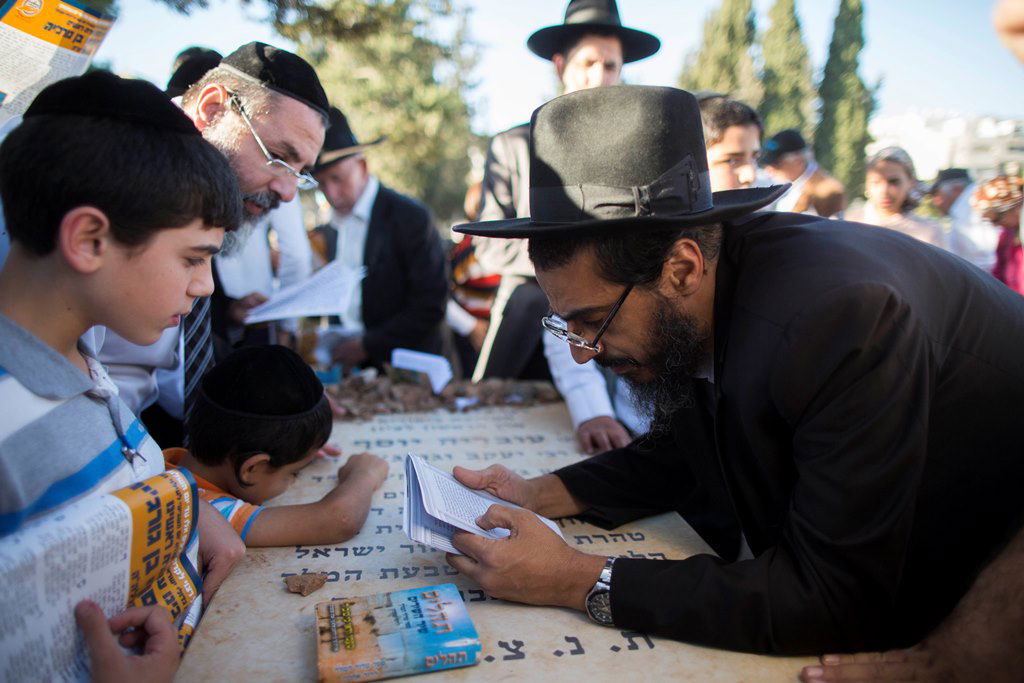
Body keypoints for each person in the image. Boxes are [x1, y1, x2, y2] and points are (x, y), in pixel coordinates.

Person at [444, 85, 1024, 655]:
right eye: (566, 324)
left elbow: (832, 597)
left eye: (594, 321)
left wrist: (574, 579)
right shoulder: (715, 282)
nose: (580, 352)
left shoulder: (841, 321)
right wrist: (537, 493)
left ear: (681, 269)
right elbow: (689, 447)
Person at [0, 71, 245, 677]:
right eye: (193, 258)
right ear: (88, 239)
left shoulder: (88, 362)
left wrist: (190, 510)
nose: (205, 286)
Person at [96, 41, 330, 447]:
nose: (289, 193)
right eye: (277, 156)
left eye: (301, 172)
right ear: (211, 110)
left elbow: (184, 354)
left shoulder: (212, 185)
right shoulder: (113, 163)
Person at [474, 0, 661, 454]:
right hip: (526, 321)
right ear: (561, 65)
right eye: (588, 63)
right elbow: (488, 247)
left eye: (611, 65)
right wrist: (571, 265)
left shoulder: (635, 155)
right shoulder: (513, 145)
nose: (600, 76)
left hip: (610, 328)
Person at [164, 345, 388, 546]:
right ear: (252, 468)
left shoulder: (169, 464)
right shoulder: (201, 511)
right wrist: (364, 475)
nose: (294, 479)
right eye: (294, 472)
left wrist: (295, 448)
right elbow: (339, 520)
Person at [310, 106, 448, 372]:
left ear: (362, 166)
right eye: (321, 184)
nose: (331, 194)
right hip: (351, 368)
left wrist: (368, 345)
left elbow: (430, 304)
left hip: (405, 368)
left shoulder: (411, 217)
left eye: (337, 179)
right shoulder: (328, 228)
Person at [846, 147, 946, 248]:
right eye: (876, 182)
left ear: (911, 182)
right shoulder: (847, 224)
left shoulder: (928, 232)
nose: (884, 191)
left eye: (893, 182)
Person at [762, 129, 846, 217]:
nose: (768, 170)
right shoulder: (791, 186)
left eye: (776, 164)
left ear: (797, 161)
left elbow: (832, 228)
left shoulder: (828, 192)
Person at [928, 168, 998, 271]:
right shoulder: (967, 206)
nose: (935, 202)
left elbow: (986, 258)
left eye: (937, 194)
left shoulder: (970, 207)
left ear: (957, 189)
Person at [973, 175, 1023, 295]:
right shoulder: (1006, 237)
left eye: (996, 219)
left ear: (1016, 208)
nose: (996, 225)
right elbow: (998, 274)